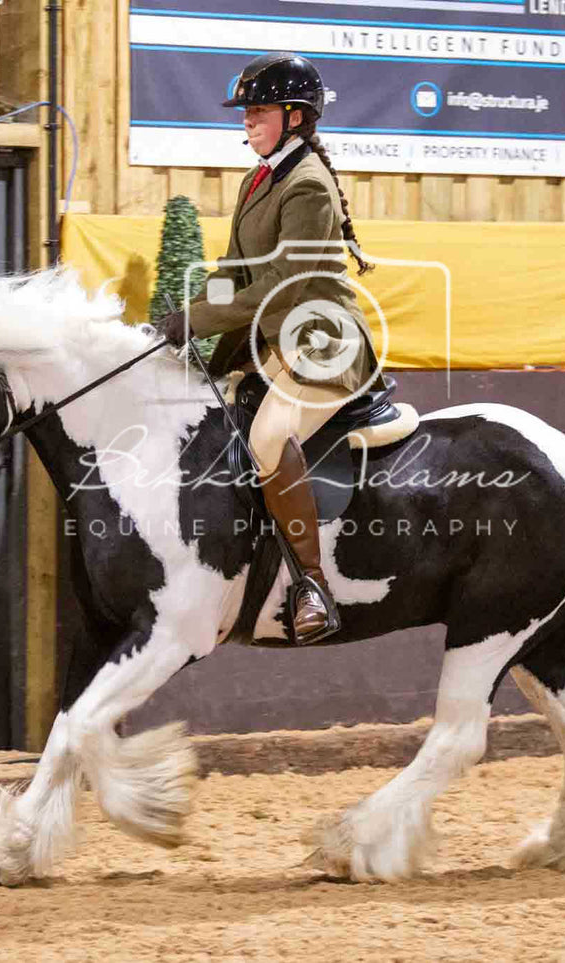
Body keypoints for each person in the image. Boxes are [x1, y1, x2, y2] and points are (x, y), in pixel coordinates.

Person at [157, 51, 380, 645]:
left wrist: (199, 318)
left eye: (258, 111)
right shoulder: (259, 177)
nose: (247, 121)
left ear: (297, 117)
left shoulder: (308, 185)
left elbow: (284, 284)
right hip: (268, 339)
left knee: (267, 438)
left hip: (318, 339)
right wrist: (186, 321)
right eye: (247, 111)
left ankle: (313, 587)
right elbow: (234, 269)